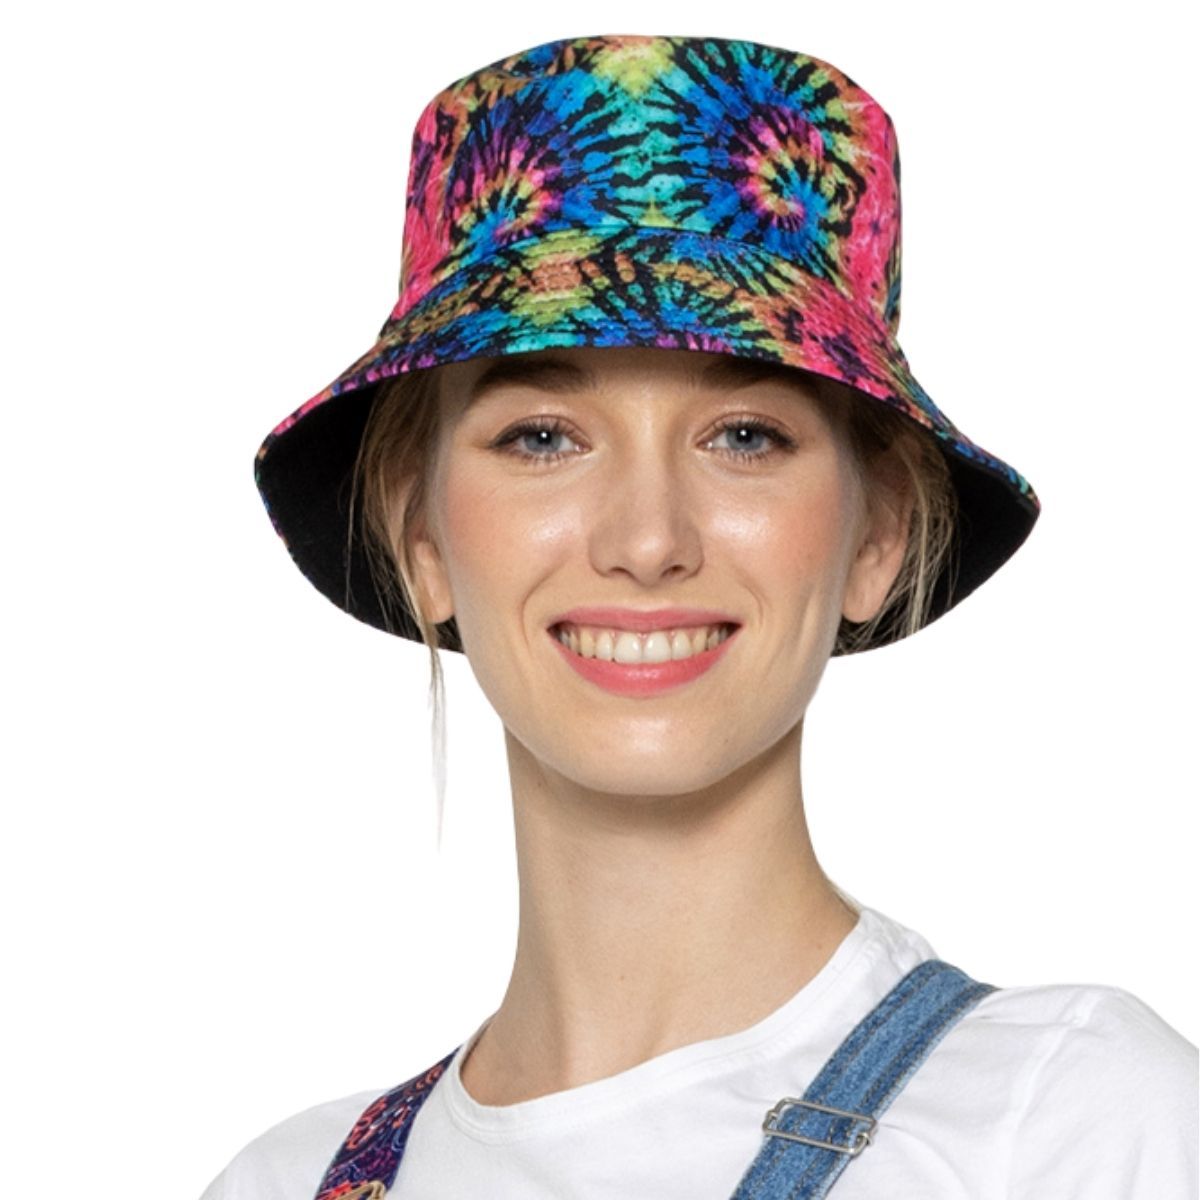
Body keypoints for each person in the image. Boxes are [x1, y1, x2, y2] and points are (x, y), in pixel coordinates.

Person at [202, 33, 1197, 1199]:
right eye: (542, 437)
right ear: (423, 542)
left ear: (874, 538)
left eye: (745, 436)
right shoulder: (281, 1183)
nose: (646, 540)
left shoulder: (1066, 1125)